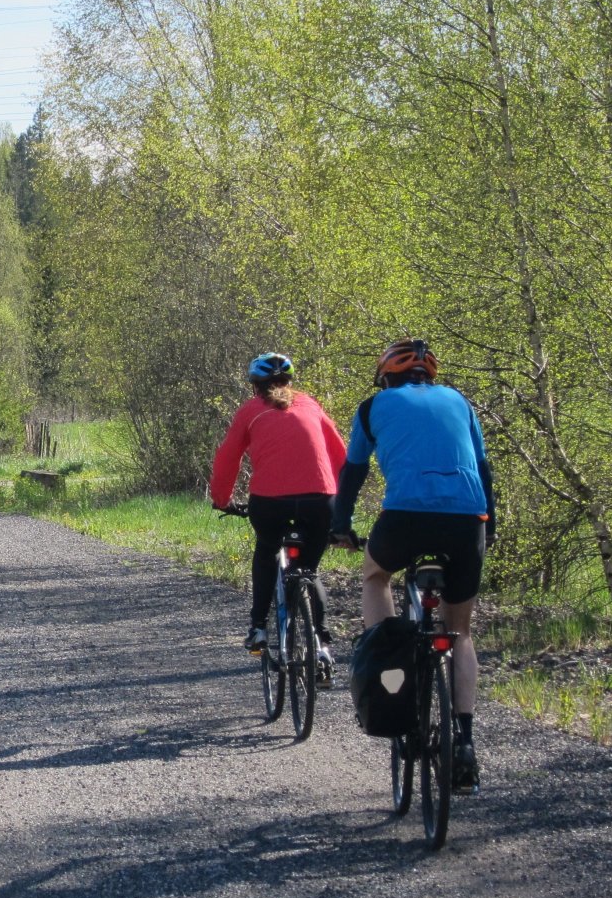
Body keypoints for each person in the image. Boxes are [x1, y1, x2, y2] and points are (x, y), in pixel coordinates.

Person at [330, 338, 496, 794]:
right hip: (467, 522)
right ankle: (464, 742)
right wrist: (490, 527)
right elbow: (483, 470)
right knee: (460, 634)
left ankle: (382, 646)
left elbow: (354, 471)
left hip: (404, 519)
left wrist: (340, 525)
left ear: (387, 376)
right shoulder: (460, 402)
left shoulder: (373, 407)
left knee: (375, 574)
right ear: (430, 376)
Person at [210, 352, 348, 662]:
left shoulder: (250, 411)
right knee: (309, 572)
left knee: (266, 552)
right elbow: (340, 455)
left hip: (269, 503)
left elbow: (227, 458)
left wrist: (221, 499)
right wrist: (342, 504)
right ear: (289, 382)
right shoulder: (311, 405)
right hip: (319, 501)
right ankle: (323, 645)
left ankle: (259, 627)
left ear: (255, 387)